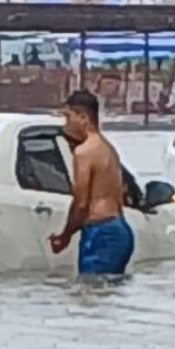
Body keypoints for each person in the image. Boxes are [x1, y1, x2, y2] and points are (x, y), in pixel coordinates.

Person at [49, 89, 134, 276]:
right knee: (107, 297)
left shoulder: (84, 152)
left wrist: (64, 237)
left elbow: (81, 203)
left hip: (100, 232)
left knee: (90, 296)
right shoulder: (108, 148)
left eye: (68, 116)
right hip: (119, 229)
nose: (66, 123)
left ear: (83, 117)